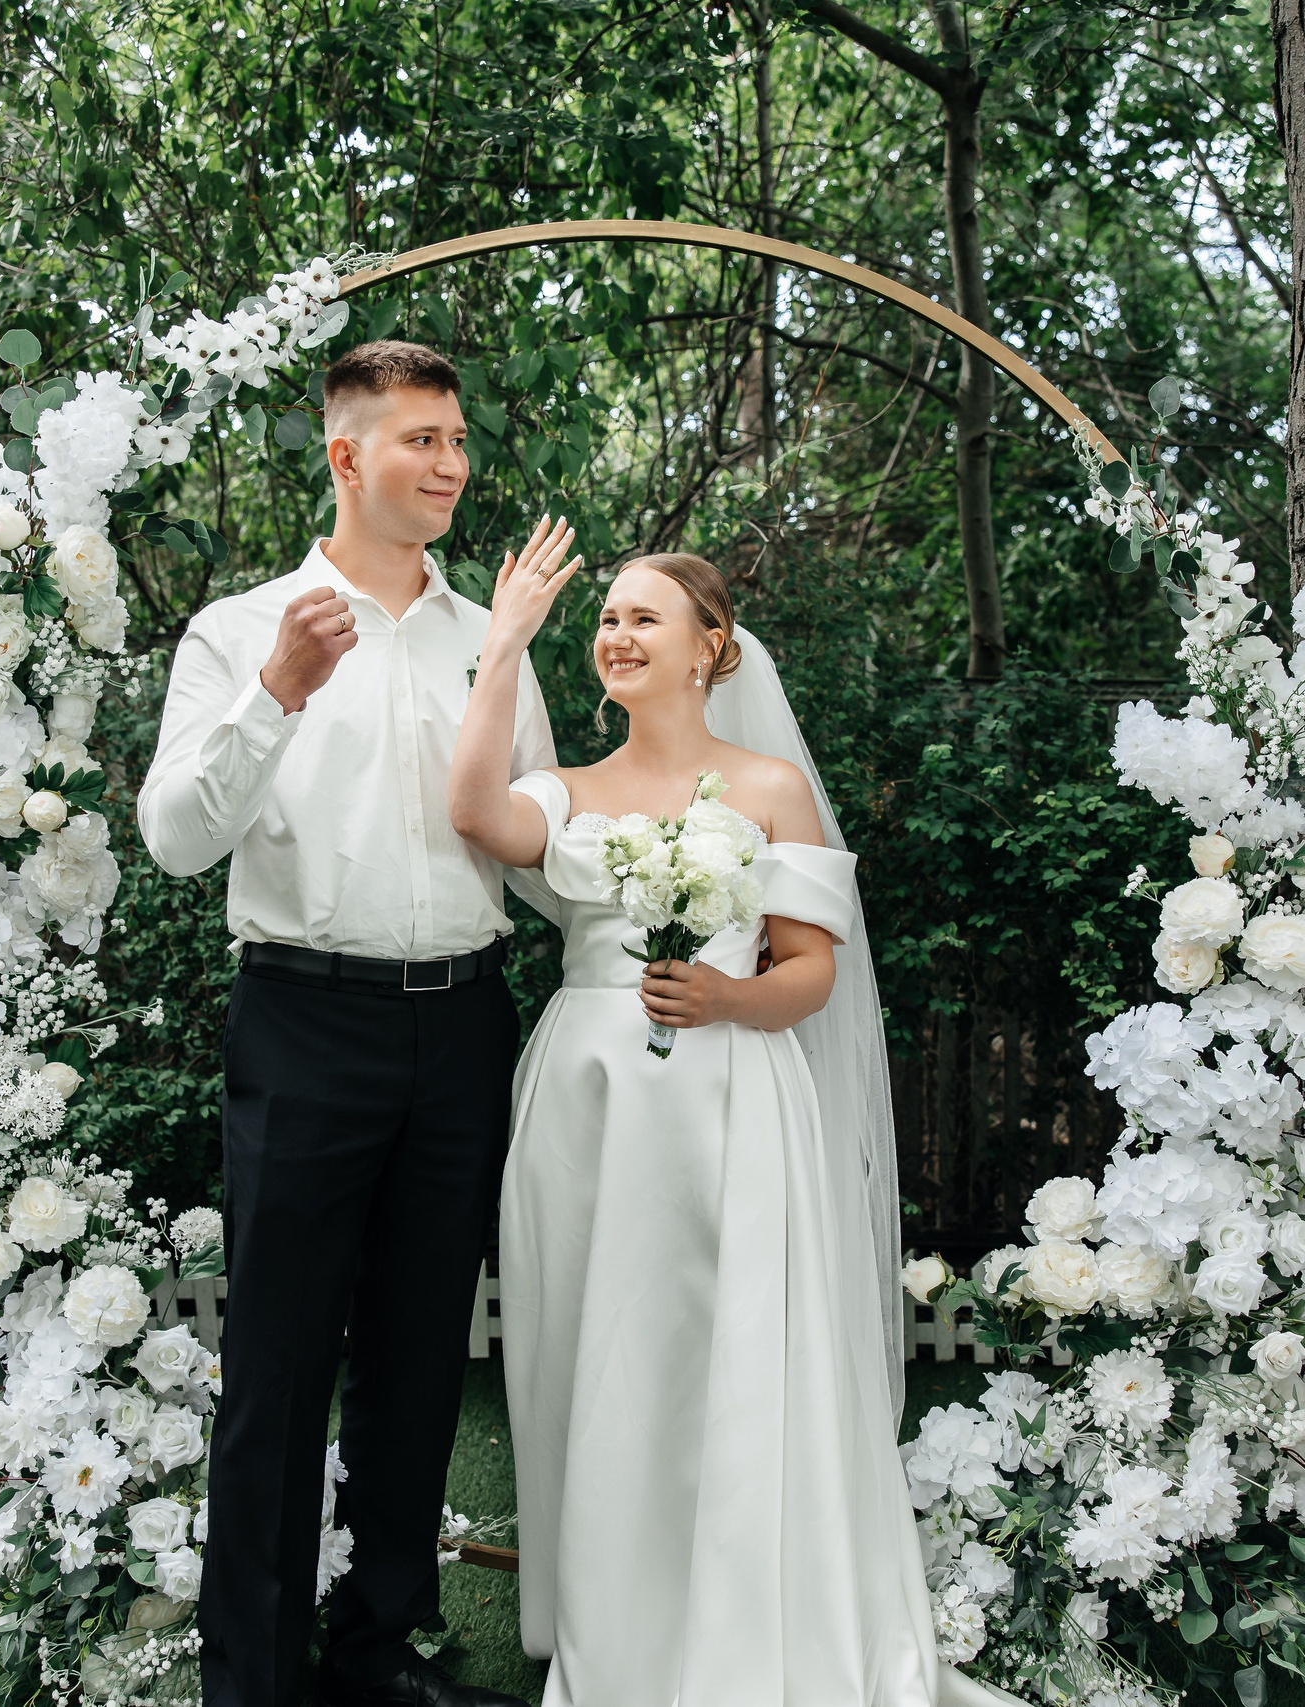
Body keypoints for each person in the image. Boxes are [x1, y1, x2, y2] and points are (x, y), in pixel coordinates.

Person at [451, 542, 996, 1706]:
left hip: (732, 1096)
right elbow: (472, 811)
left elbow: (809, 973)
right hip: (584, 1097)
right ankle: (605, 1611)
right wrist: (500, 646)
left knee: (728, 1341)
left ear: (712, 647)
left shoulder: (766, 790)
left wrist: (725, 1000)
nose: (617, 634)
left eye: (646, 616)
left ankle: (742, 1599)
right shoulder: (571, 790)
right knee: (589, 1342)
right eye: (605, 619)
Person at [138, 339, 545, 1707]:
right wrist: (275, 698)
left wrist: (685, 888)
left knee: (424, 1357)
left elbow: (541, 842)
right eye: (421, 438)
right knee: (278, 1366)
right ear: (344, 455)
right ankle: (250, 1681)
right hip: (306, 1026)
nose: (449, 464)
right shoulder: (236, 631)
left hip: (466, 1027)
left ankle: (380, 1652)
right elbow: (176, 841)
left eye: (456, 440)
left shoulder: (493, 634)